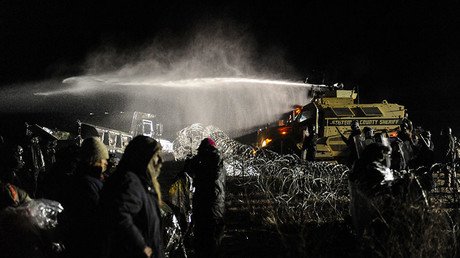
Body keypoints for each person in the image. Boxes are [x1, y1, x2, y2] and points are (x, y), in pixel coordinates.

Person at [99, 135, 164, 258]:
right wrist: (142, 247)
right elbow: (119, 215)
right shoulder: (130, 182)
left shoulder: (138, 182)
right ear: (143, 157)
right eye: (156, 155)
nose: (161, 160)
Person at [61, 137, 109, 258]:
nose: (106, 162)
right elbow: (94, 217)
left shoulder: (91, 180)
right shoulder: (86, 184)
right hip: (87, 247)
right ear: (94, 159)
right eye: (103, 158)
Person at [186, 137, 226, 258]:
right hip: (209, 207)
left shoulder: (214, 160)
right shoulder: (212, 160)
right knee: (206, 241)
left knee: (210, 242)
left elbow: (209, 179)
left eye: (201, 151)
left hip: (211, 208)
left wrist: (196, 162)